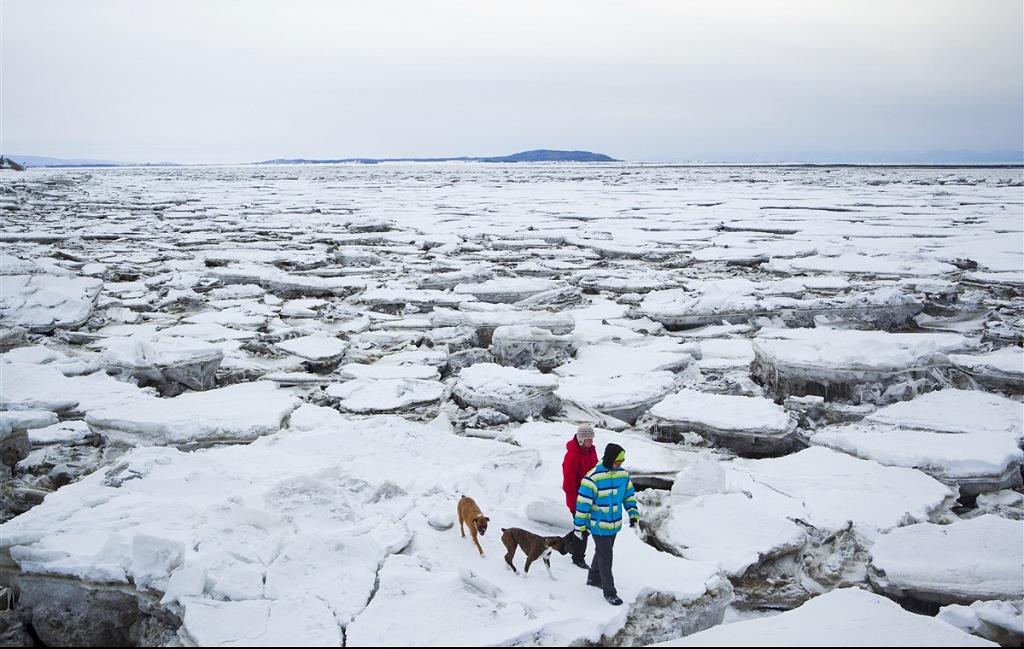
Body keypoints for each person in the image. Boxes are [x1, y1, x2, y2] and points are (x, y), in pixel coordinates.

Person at [573, 442, 640, 606]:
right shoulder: (593, 478)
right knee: (606, 556)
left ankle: (593, 577)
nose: (620, 465)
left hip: (614, 524)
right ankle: (609, 592)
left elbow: (628, 496)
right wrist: (579, 527)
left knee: (603, 552)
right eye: (618, 461)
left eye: (622, 462)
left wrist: (633, 514)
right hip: (598, 524)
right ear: (609, 459)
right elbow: (582, 505)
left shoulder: (623, 476)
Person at [562, 423, 598, 569]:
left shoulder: (591, 451)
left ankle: (564, 542)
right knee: (582, 530)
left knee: (586, 528)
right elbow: (568, 484)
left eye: (592, 439)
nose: (591, 442)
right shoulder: (572, 456)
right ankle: (578, 558)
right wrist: (575, 504)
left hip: (591, 498)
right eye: (588, 439)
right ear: (582, 440)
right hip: (578, 500)